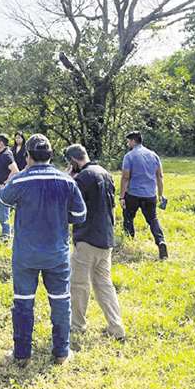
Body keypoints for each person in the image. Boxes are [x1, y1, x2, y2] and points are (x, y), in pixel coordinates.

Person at [0, 134, 86, 366]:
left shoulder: (20, 181)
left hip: (25, 254)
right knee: (60, 301)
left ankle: (22, 355)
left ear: (27, 156)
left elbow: (3, 199)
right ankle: (61, 353)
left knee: (23, 302)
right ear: (50, 155)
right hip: (57, 253)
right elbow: (80, 215)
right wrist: (60, 217)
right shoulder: (67, 181)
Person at [65, 144, 125, 342]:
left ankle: (77, 326)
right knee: (104, 285)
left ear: (74, 161)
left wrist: (69, 179)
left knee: (79, 284)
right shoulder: (105, 173)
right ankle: (116, 327)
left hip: (87, 237)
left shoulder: (82, 178)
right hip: (105, 237)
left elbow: (70, 203)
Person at [120, 131, 168, 260]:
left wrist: (122, 196)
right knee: (153, 219)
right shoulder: (154, 155)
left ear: (133, 141)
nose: (127, 143)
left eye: (128, 141)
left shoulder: (129, 156)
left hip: (133, 194)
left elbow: (125, 177)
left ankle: (129, 244)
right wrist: (160, 194)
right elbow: (159, 176)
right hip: (150, 195)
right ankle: (161, 241)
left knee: (128, 217)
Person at [0, 133, 19, 241]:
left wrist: (5, 183)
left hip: (2, 189)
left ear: (1, 143)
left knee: (3, 215)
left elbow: (15, 171)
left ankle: (6, 237)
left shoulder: (7, 155)